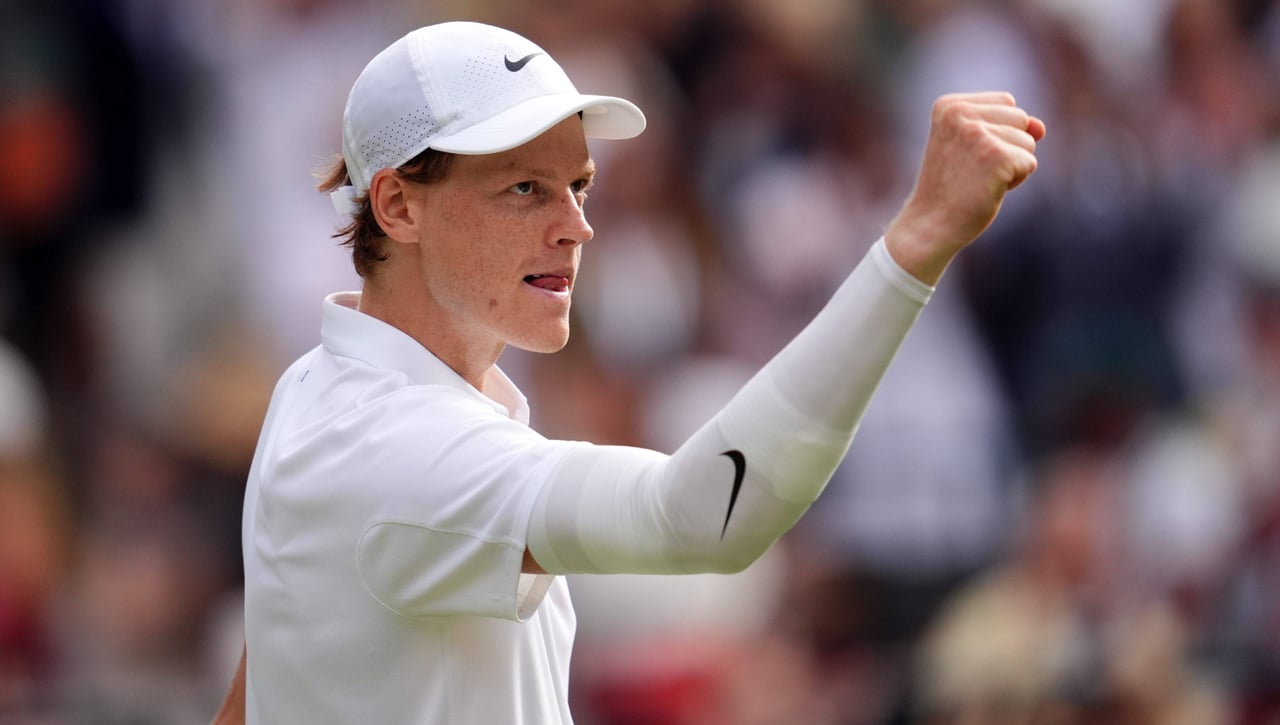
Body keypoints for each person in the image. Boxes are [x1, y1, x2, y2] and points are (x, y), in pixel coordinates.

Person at [210, 19, 1044, 725]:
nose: (577, 226)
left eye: (578, 184)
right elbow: (705, 515)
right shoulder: (395, 445)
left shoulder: (318, 387)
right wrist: (917, 242)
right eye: (525, 188)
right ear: (397, 206)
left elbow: (263, 687)